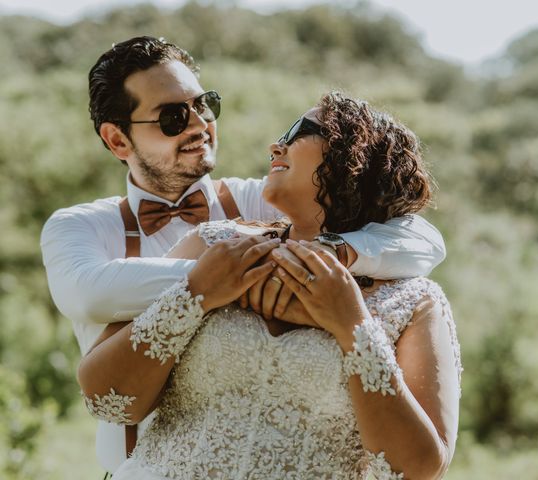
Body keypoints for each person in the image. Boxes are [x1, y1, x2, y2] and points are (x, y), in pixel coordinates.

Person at [40, 37, 447, 475]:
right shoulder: (79, 227)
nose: (199, 124)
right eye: (173, 116)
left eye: (204, 105)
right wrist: (208, 284)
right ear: (118, 140)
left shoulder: (264, 202)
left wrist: (329, 262)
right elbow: (84, 295)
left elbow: (419, 235)